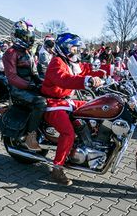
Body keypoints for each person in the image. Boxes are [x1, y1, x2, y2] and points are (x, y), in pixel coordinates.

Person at [41, 33, 103, 185]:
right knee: (68, 132)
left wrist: (111, 70)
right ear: (66, 48)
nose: (77, 52)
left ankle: (91, 141)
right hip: (53, 103)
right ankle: (57, 168)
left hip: (66, 101)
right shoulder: (57, 62)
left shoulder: (69, 62)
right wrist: (87, 80)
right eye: (75, 49)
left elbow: (84, 69)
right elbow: (63, 79)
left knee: (95, 107)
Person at [2, 20, 47, 151]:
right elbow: (12, 77)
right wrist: (31, 86)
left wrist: (46, 83)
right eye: (26, 37)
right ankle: (30, 137)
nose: (29, 40)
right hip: (17, 90)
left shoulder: (27, 53)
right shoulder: (10, 53)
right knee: (40, 103)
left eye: (30, 37)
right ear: (18, 36)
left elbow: (34, 74)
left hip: (28, 87)